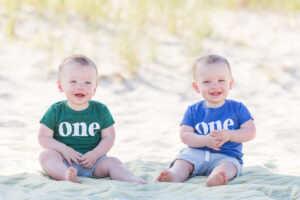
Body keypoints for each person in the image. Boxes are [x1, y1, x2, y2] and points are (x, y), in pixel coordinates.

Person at [38, 54, 146, 184]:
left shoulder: (101, 110)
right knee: (46, 156)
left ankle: (131, 179)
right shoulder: (56, 111)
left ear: (94, 89)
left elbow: (109, 137)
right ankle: (65, 175)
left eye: (87, 82)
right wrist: (64, 149)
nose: (81, 86)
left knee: (114, 162)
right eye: (73, 82)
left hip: (94, 163)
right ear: (61, 86)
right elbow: (43, 138)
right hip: (64, 161)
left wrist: (95, 155)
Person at [157, 54, 256, 187]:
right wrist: (204, 140)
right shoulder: (193, 110)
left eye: (221, 80)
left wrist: (230, 135)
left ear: (230, 83)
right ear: (196, 87)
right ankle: (174, 175)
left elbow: (250, 131)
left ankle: (217, 177)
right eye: (206, 82)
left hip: (226, 155)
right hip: (195, 153)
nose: (215, 86)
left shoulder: (238, 108)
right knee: (182, 161)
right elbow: (185, 135)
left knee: (229, 166)